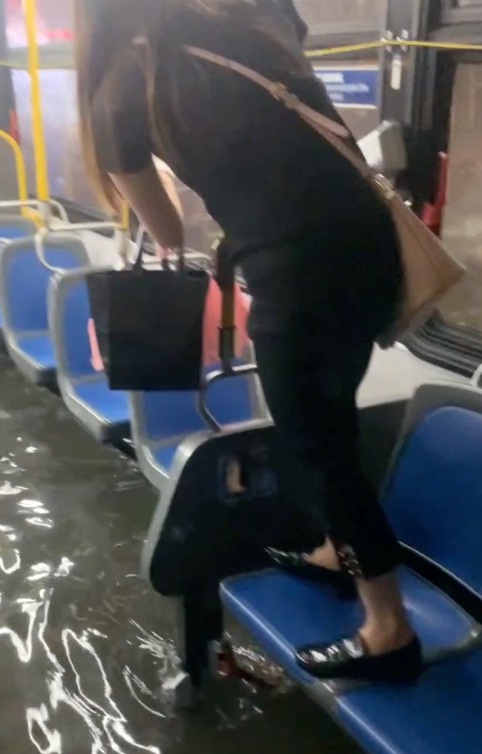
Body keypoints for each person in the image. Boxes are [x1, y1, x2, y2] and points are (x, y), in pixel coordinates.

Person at [75, 0, 422, 683]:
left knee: (318, 448)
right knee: (331, 412)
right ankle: (333, 548)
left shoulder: (121, 89)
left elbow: (168, 235)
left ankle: (388, 628)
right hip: (373, 255)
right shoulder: (242, 31)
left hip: (298, 275)